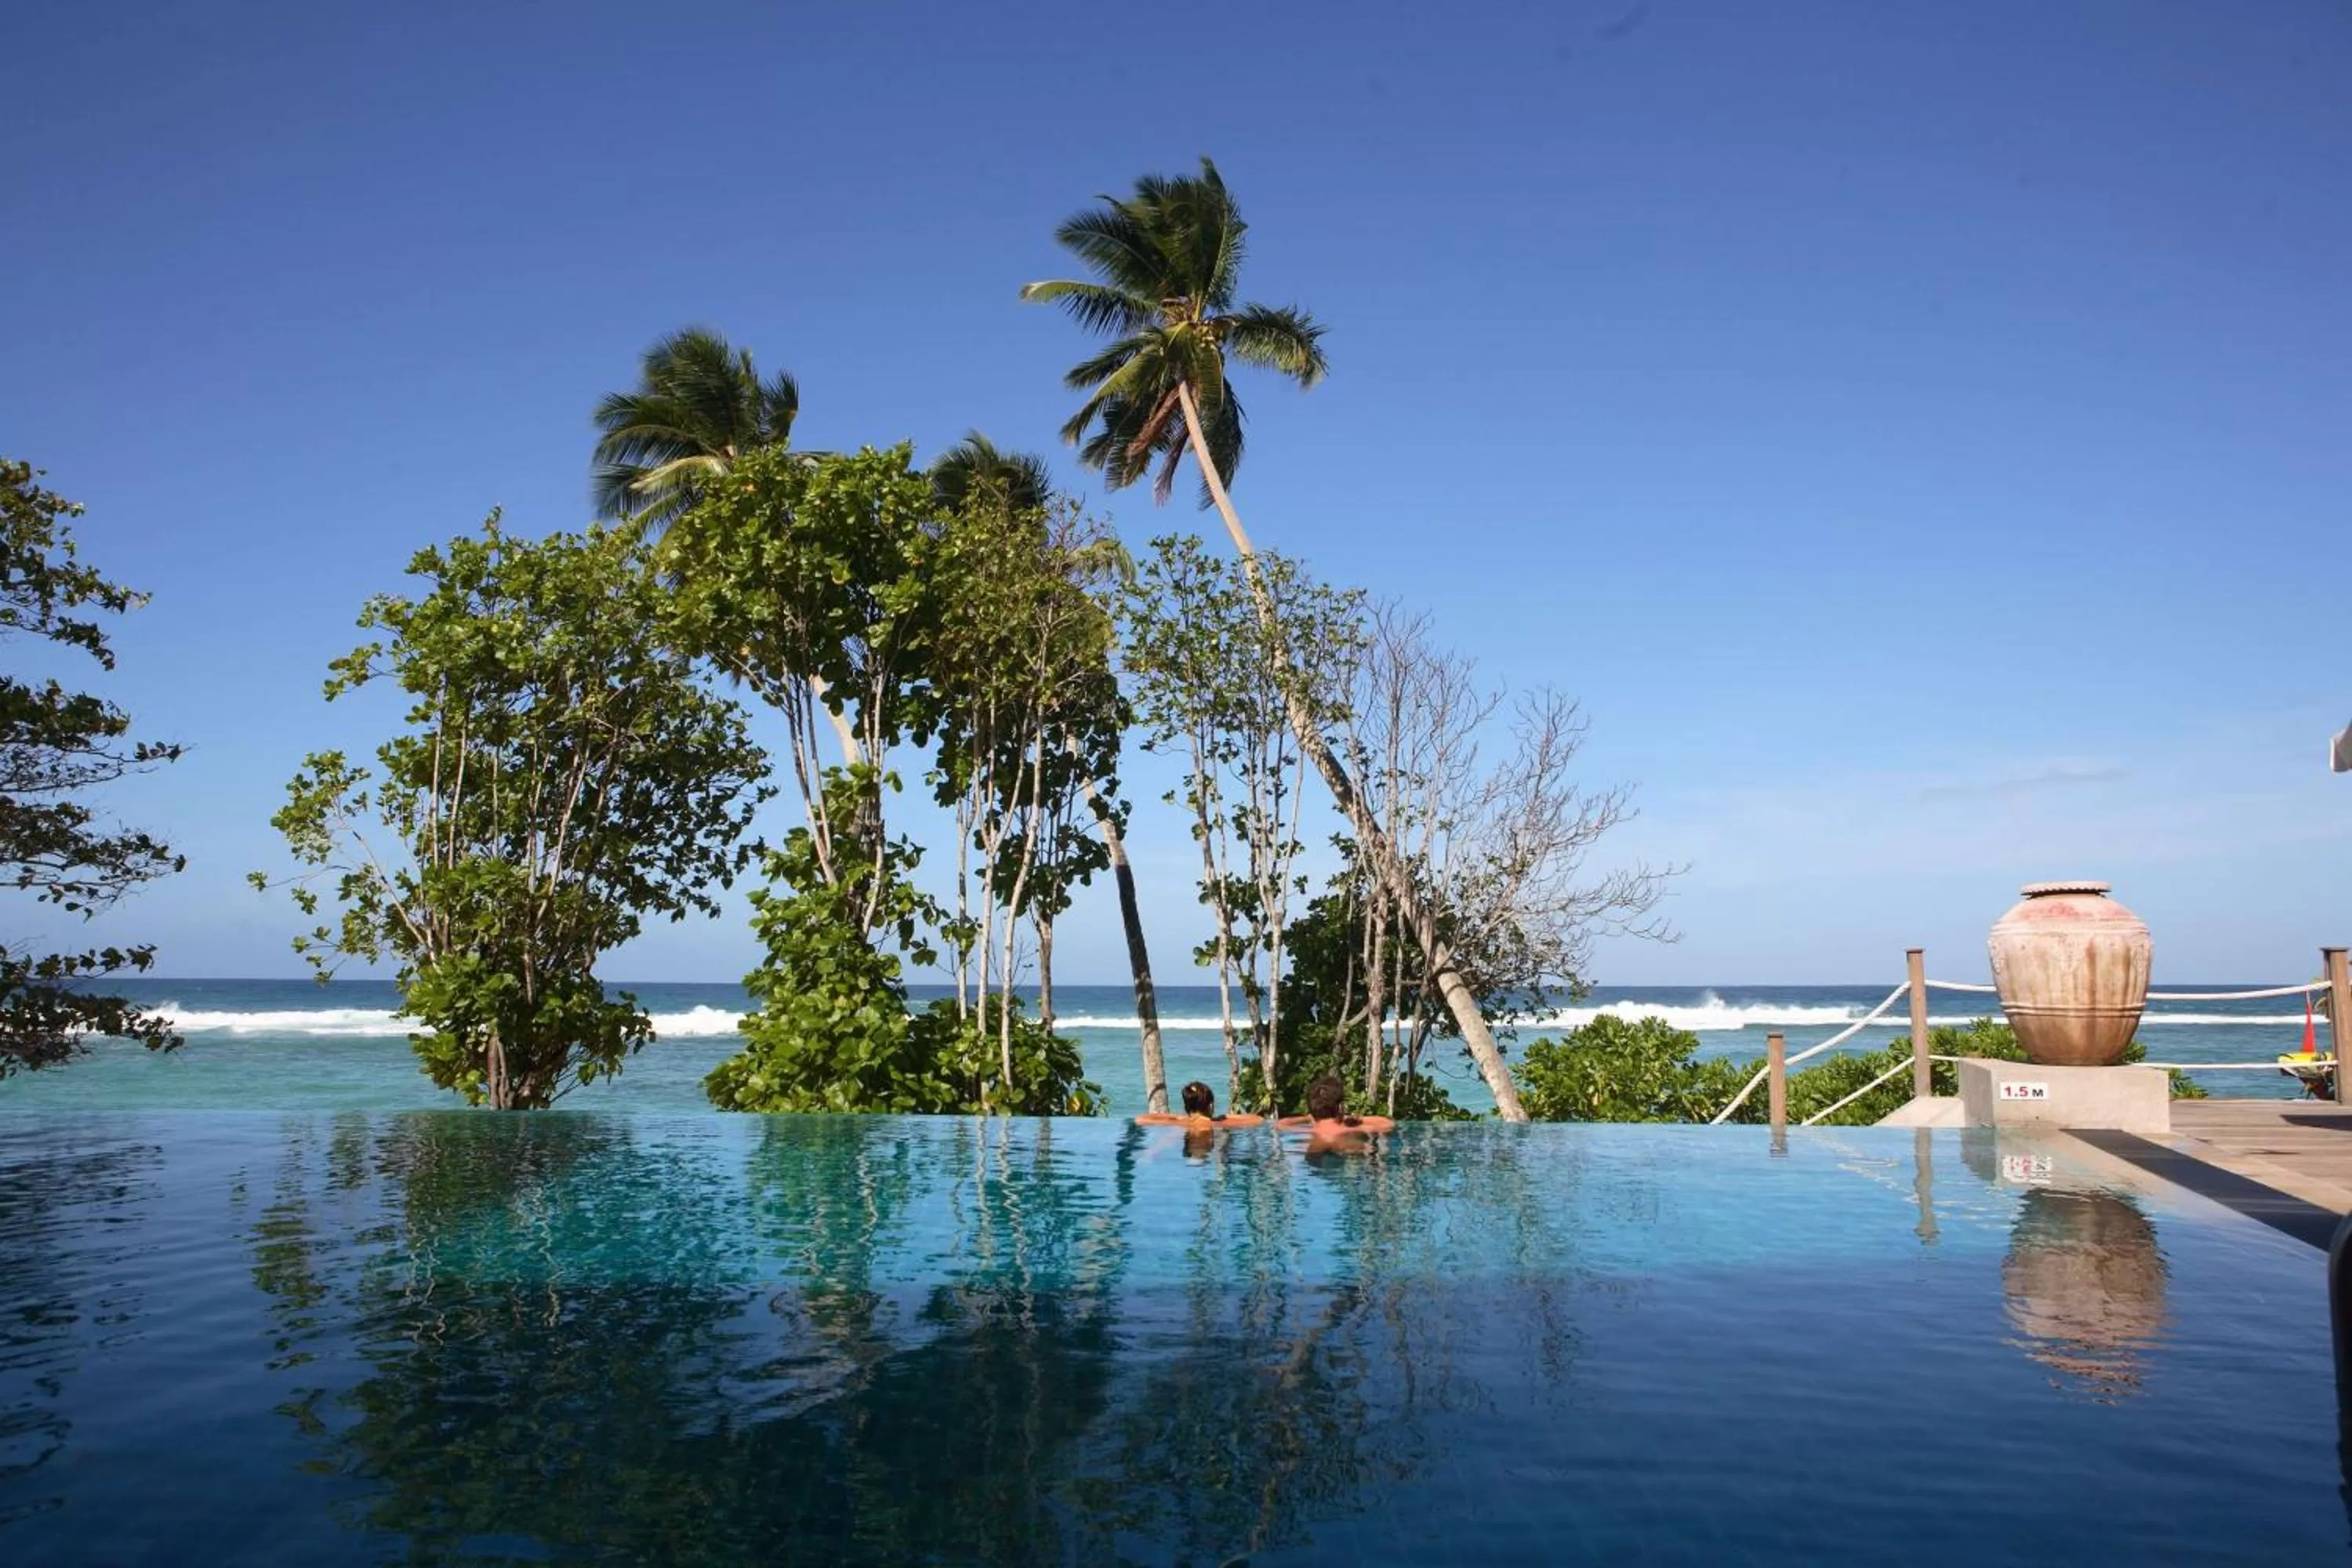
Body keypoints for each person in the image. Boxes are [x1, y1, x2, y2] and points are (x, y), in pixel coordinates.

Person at [1276, 1073, 1396, 1136]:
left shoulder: (1305, 1132)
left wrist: (1309, 1117)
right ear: (1340, 1107)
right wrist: (1353, 1120)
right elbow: (1387, 1123)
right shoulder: (1351, 1131)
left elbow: (1280, 1124)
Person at [1135, 1080, 1263, 1129]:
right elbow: (1258, 1120)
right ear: (1211, 1106)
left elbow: (1140, 1119)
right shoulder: (1217, 1124)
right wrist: (1224, 1117)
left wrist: (1177, 1118)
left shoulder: (1181, 1123)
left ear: (1187, 1106)